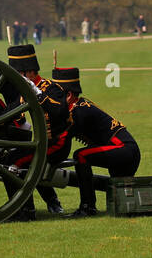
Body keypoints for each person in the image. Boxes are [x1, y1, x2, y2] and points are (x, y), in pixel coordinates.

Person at [50, 68, 140, 218]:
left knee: (81, 156)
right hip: (125, 150)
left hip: (124, 150)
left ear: (69, 95)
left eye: (57, 97)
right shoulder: (79, 106)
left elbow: (61, 138)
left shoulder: (78, 111)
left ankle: (87, 207)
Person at [6, 44, 69, 217]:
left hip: (57, 142)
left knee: (15, 163)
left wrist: (38, 95)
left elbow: (60, 111)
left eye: (19, 74)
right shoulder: (22, 92)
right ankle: (31, 205)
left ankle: (26, 209)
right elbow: (11, 114)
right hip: (41, 143)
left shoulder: (50, 88)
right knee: (12, 158)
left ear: (29, 72)